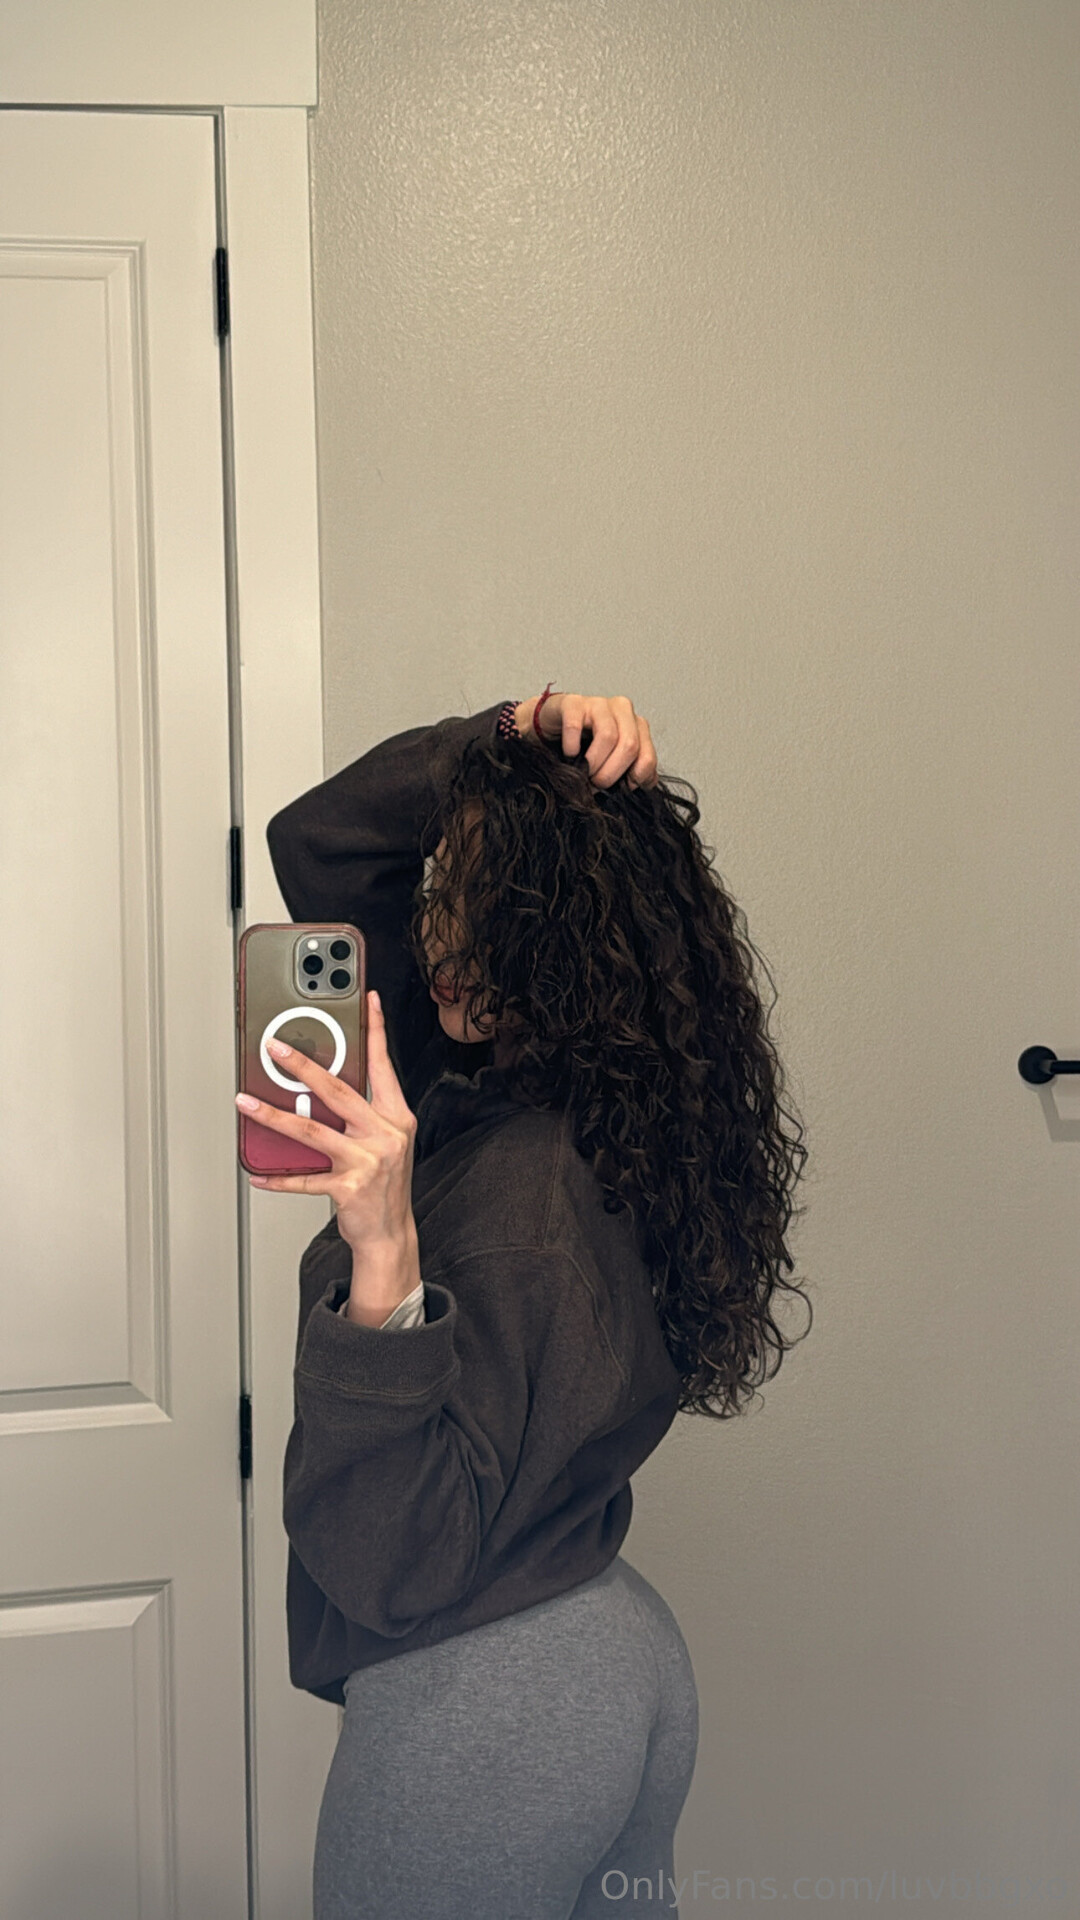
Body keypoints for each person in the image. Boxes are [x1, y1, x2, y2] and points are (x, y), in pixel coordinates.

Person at [256, 688, 812, 1919]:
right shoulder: (565, 1104)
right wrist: (507, 735)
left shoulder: (525, 1200)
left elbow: (394, 1561)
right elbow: (323, 840)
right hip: (586, 1643)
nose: (439, 943)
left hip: (494, 1701)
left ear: (559, 946)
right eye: (444, 893)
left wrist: (383, 1256)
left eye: (485, 913)